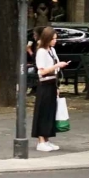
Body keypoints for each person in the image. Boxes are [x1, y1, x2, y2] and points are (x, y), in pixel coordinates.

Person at [31, 24, 65, 153]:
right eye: (53, 39)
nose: (55, 41)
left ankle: (47, 138)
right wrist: (57, 66)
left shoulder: (52, 50)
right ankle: (41, 140)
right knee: (43, 111)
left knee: (50, 112)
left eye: (55, 38)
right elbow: (42, 71)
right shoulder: (41, 52)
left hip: (52, 83)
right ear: (47, 39)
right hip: (44, 84)